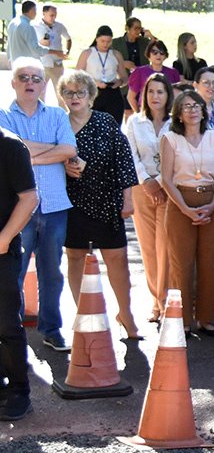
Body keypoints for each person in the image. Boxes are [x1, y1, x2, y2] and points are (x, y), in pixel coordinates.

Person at [0, 59, 76, 352]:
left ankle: (51, 330)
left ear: (44, 84)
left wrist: (28, 153)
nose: (30, 82)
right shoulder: (3, 116)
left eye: (36, 78)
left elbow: (69, 149)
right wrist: (52, 150)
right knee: (13, 275)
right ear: (13, 83)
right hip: (18, 210)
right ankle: (12, 334)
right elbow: (13, 153)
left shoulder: (57, 115)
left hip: (55, 206)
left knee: (52, 273)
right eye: (24, 77)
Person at [58, 70, 140, 340]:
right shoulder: (58, 124)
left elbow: (124, 161)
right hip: (71, 202)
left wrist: (128, 199)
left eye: (80, 92)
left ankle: (126, 314)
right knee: (75, 256)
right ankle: (84, 314)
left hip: (107, 200)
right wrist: (62, 165)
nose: (75, 97)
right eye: (69, 92)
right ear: (62, 96)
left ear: (91, 95)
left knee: (117, 258)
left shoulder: (105, 121)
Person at [159, 89, 214, 337]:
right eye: (186, 106)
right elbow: (166, 179)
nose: (192, 110)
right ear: (178, 113)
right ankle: (182, 320)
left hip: (212, 202)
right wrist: (186, 209)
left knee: (210, 263)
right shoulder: (170, 139)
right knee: (181, 264)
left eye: (196, 105)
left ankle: (207, 319)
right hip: (181, 203)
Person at [124, 72, 173, 322]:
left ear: (168, 95)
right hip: (142, 188)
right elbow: (130, 154)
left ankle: (167, 302)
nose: (155, 96)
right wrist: (146, 181)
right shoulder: (135, 121)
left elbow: (178, 155)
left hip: (168, 188)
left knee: (165, 247)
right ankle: (156, 302)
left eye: (160, 92)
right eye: (151, 91)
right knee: (148, 248)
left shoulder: (175, 122)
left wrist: (161, 182)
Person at [0, 124, 37, 421]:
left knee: (6, 324)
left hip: (3, 251)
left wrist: (3, 239)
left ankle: (19, 391)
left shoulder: (10, 146)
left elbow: (29, 197)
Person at [74, 25, 127, 120]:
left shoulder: (116, 54)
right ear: (97, 39)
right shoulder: (87, 53)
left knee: (113, 123)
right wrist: (95, 82)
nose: (105, 44)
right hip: (92, 91)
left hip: (112, 92)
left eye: (108, 41)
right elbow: (77, 77)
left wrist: (119, 82)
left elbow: (125, 78)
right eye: (103, 41)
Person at [127, 41, 181, 112]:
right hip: (146, 112)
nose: (158, 55)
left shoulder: (173, 72)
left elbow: (178, 96)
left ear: (165, 56)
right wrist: (139, 114)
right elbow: (131, 97)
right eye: (154, 52)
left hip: (168, 112)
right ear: (148, 55)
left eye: (161, 52)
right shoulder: (139, 72)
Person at [33, 3, 71, 86]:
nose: (54, 18)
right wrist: (42, 42)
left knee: (60, 90)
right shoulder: (35, 27)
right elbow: (33, 45)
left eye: (55, 15)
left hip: (57, 64)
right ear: (44, 13)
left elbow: (68, 39)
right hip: (43, 64)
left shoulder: (59, 26)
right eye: (51, 15)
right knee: (39, 90)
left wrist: (67, 51)